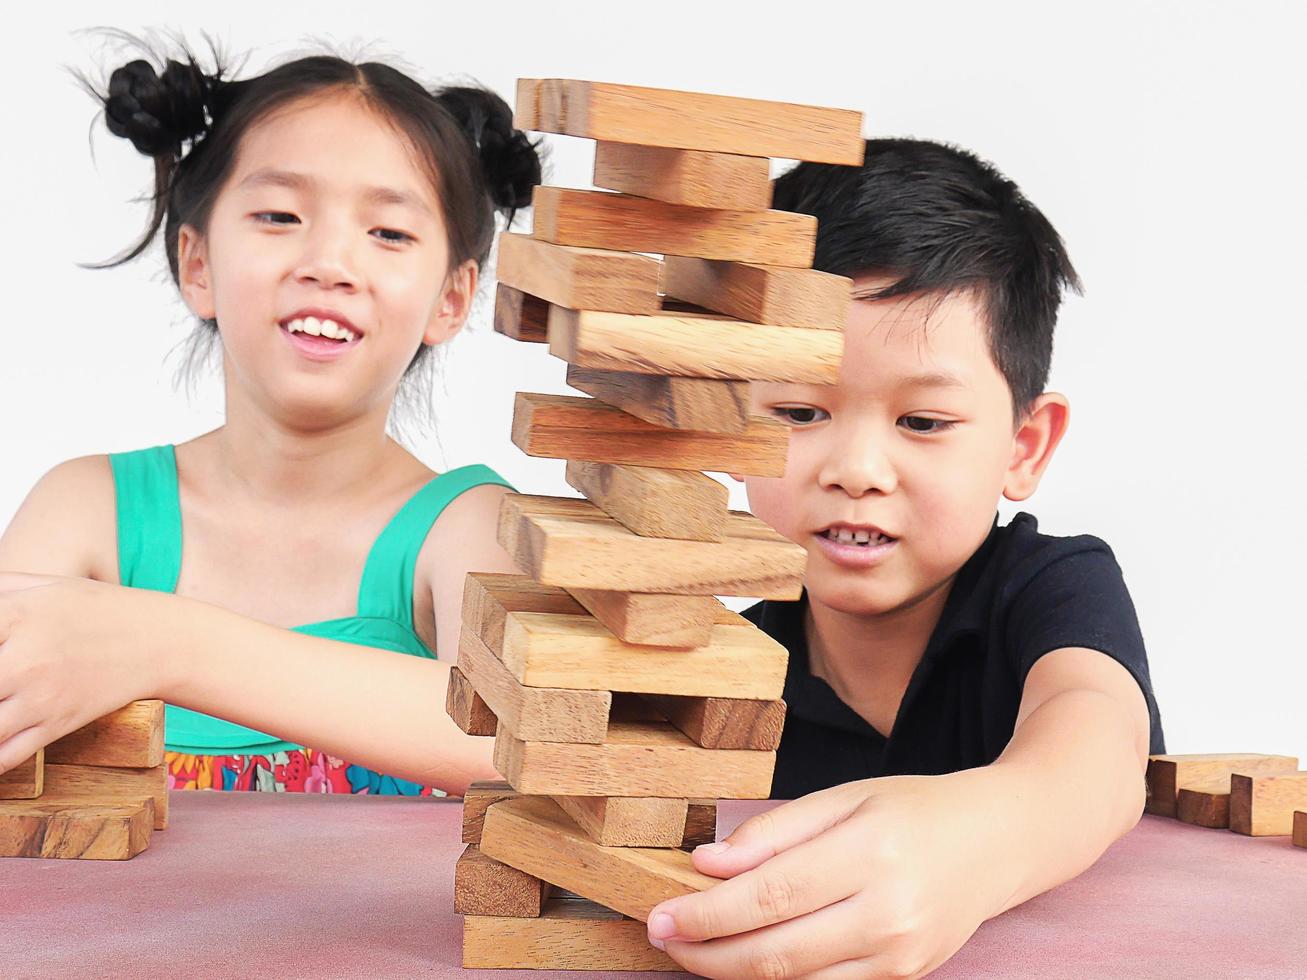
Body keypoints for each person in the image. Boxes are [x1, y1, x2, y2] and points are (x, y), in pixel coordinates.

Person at [643, 139, 1166, 978]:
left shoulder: (1050, 588)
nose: (853, 470)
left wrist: (972, 840)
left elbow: (1099, 748)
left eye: (921, 423)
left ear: (1023, 447)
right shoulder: (715, 667)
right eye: (798, 410)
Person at [0, 44, 542, 796]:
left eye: (388, 232)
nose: (328, 260)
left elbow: (502, 738)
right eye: (279, 215)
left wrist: (162, 645)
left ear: (451, 298)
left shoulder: (468, 526)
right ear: (196, 264)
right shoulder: (88, 507)